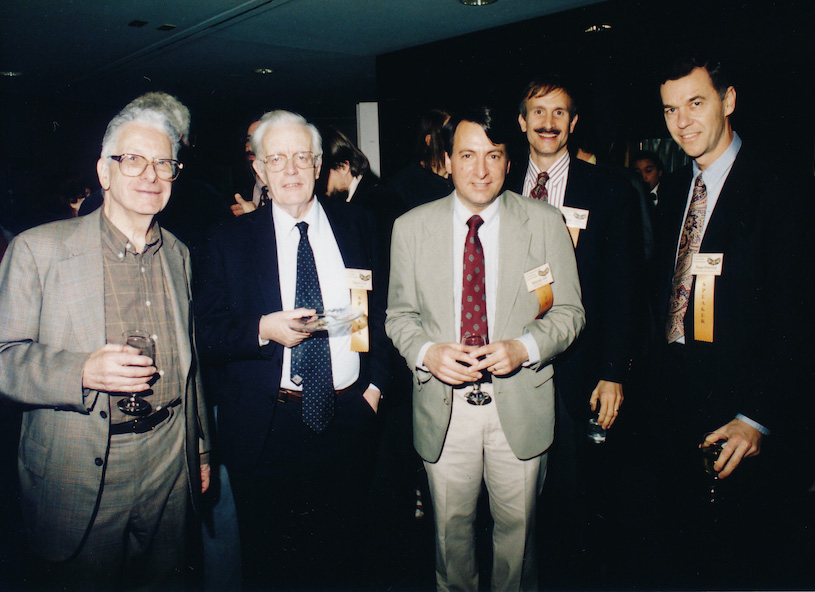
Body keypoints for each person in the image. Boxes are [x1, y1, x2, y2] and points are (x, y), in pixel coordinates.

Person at [0, 96, 210, 589]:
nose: (150, 175)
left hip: (169, 462)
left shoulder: (178, 253)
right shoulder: (39, 249)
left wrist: (199, 450)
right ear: (104, 170)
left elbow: (190, 360)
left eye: (164, 163)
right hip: (83, 469)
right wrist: (81, 371)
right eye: (132, 159)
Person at [647, 54, 815, 587]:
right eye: (669, 110)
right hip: (674, 407)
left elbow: (805, 325)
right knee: (681, 552)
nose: (682, 122)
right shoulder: (672, 196)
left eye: (696, 103)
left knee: (743, 560)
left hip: (742, 415)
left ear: (728, 101)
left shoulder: (786, 190)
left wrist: (756, 417)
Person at [386, 106, 584, 591]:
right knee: (450, 538)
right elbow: (399, 316)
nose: (480, 169)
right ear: (447, 160)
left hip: (519, 403)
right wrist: (428, 353)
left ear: (507, 161)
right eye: (468, 155)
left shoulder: (543, 222)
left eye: (493, 155)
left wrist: (524, 347)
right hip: (444, 408)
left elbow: (570, 313)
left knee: (518, 542)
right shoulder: (410, 227)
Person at [194, 110, 390, 590]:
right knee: (271, 562)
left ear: (320, 163)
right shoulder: (226, 239)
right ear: (257, 168)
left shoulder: (362, 225)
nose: (290, 170)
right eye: (276, 159)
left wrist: (376, 387)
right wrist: (262, 328)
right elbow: (206, 330)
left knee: (342, 555)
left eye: (302, 157)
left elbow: (389, 311)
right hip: (267, 426)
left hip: (348, 415)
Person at [506, 77, 643, 583]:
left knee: (575, 500)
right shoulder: (497, 181)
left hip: (580, 371)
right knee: (513, 500)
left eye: (559, 113)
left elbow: (624, 291)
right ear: (521, 121)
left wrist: (613, 371)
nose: (547, 122)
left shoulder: (608, 190)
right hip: (510, 367)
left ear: (573, 121)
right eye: (537, 112)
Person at [388, 108, 454, 211]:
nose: (454, 139)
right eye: (447, 134)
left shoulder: (461, 180)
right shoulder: (405, 185)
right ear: (430, 141)